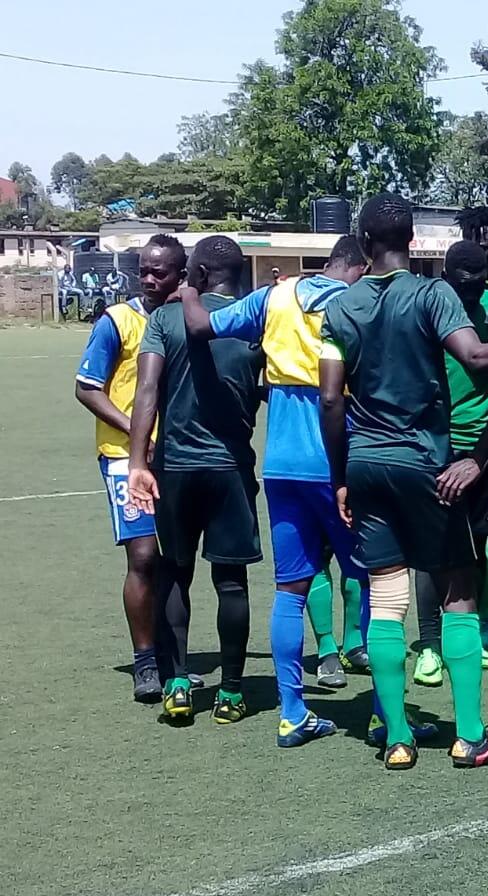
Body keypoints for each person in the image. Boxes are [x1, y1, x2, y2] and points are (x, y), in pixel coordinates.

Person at [318, 192, 488, 770]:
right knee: (460, 591)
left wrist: (341, 476)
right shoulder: (432, 294)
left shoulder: (340, 308)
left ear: (363, 243)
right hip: (422, 461)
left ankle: (396, 738)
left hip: (364, 462)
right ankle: (471, 737)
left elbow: (331, 399)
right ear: (412, 240)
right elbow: (481, 358)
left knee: (387, 597)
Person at [179, 235, 369, 748]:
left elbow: (201, 326)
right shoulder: (359, 299)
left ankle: (292, 712)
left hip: (282, 461)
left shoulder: (274, 297)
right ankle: (381, 714)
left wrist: (189, 289)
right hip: (338, 456)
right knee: (371, 581)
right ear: (357, 265)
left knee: (290, 590)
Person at [127, 236, 264, 725]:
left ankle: (179, 683)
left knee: (175, 573)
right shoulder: (255, 320)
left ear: (198, 275)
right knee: (231, 582)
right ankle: (231, 692)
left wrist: (138, 461)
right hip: (231, 470)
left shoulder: (164, 319)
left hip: (177, 469)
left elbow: (147, 391)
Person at [74, 235, 185, 703]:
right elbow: (86, 388)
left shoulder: (185, 320)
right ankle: (144, 661)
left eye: (159, 272)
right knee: (142, 556)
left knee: (175, 559)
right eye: (143, 270)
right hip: (125, 456)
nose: (149, 279)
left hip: (179, 458)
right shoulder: (117, 321)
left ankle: (171, 659)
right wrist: (140, 432)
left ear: (180, 274)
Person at [413, 240, 488, 696]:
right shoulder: (433, 305)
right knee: (431, 551)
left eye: (476, 285)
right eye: (462, 285)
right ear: (448, 276)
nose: (470, 295)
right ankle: (430, 645)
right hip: (436, 443)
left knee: (478, 544)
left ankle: (476, 629)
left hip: (483, 445)